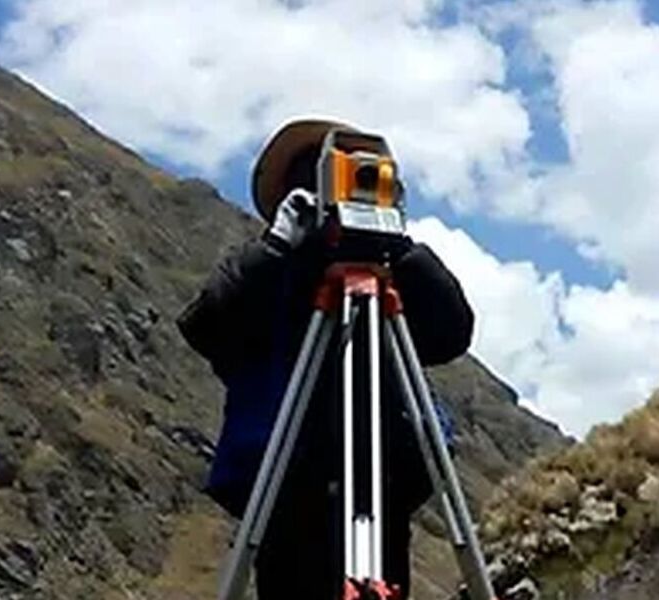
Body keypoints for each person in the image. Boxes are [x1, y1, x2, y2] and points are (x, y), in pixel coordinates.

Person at [176, 119, 473, 600]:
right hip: (288, 487)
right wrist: (276, 247)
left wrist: (404, 252)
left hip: (383, 484)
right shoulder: (271, 271)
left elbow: (452, 334)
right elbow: (206, 325)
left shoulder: (392, 272)